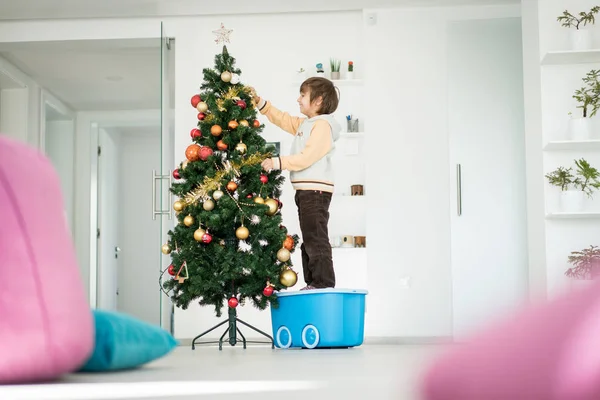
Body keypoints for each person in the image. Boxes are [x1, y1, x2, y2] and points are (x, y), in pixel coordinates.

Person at [250, 77, 341, 290]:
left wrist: (276, 162)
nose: (298, 99)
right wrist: (259, 102)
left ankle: (322, 284)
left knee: (316, 238)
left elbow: (305, 158)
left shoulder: (322, 126)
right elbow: (282, 119)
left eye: (303, 95)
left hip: (315, 191)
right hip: (305, 190)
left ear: (317, 101)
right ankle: (313, 283)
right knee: (309, 237)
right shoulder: (306, 124)